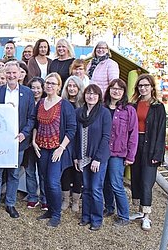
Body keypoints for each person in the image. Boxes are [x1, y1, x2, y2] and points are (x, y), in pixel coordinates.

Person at [0, 61, 35, 220]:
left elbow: (31, 117)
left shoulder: (27, 93)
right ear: (5, 74)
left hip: (18, 141)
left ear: (20, 74)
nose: (11, 76)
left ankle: (10, 203)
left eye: (14, 73)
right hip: (0, 141)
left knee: (13, 173)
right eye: (9, 73)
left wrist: (24, 134)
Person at [32, 72, 76, 228]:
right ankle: (50, 210)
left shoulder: (65, 105)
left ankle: (56, 215)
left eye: (53, 83)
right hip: (41, 148)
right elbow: (35, 124)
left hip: (57, 149)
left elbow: (71, 129)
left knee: (52, 182)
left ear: (58, 86)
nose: (49, 86)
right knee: (44, 179)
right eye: (47, 83)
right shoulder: (41, 103)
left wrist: (61, 148)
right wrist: (33, 141)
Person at [128, 74, 166, 231]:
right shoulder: (133, 105)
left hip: (150, 146)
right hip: (135, 145)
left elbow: (161, 132)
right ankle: (138, 210)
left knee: (146, 181)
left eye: (146, 85)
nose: (143, 88)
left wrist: (158, 154)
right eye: (140, 86)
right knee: (135, 179)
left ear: (152, 87)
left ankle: (147, 216)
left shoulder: (158, 107)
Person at [74, 84, 112, 231]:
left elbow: (106, 137)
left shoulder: (104, 113)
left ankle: (96, 219)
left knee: (96, 188)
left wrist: (98, 158)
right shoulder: (79, 112)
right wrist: (76, 157)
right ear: (84, 95)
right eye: (89, 93)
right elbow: (76, 136)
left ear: (99, 96)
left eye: (94, 94)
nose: (91, 96)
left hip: (98, 158)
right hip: (82, 156)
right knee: (86, 188)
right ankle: (85, 217)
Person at [102, 79, 138, 226]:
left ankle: (124, 216)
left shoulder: (128, 110)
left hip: (118, 152)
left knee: (116, 184)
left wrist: (131, 155)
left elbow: (133, 133)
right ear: (109, 90)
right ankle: (109, 207)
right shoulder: (102, 107)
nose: (116, 91)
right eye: (113, 88)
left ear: (123, 92)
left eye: (120, 89)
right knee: (104, 182)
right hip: (103, 152)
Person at [60, 75, 85, 211]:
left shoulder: (84, 104)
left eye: (74, 86)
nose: (71, 88)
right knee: (66, 171)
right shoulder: (62, 102)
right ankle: (65, 198)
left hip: (80, 142)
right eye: (69, 86)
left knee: (78, 172)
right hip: (65, 141)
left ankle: (75, 201)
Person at [23, 77, 46, 209]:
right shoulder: (26, 101)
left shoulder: (45, 102)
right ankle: (32, 197)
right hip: (27, 142)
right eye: (33, 87)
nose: (35, 90)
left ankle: (44, 198)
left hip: (42, 142)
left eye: (38, 87)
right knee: (29, 170)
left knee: (43, 172)